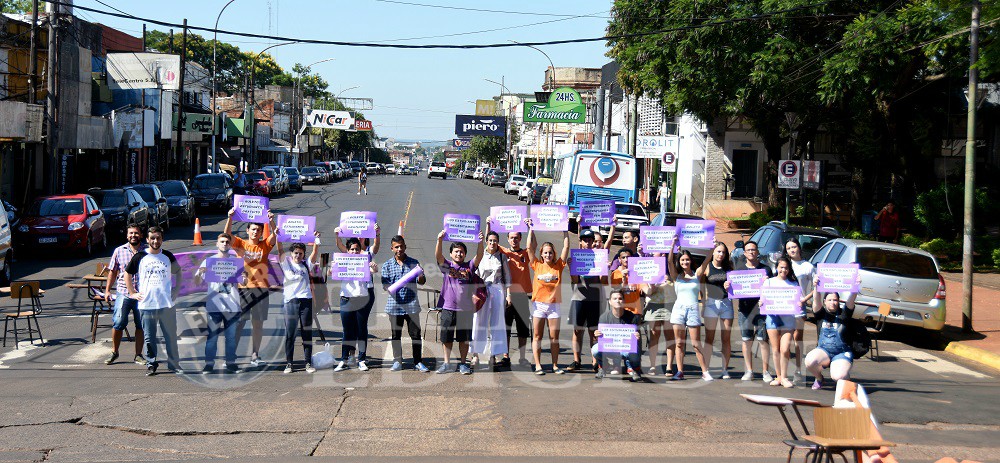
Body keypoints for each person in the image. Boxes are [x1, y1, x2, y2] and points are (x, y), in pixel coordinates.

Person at [223, 208, 277, 368]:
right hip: (243, 289)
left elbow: (275, 237)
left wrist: (271, 220)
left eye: (258, 230)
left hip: (261, 289)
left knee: (257, 323)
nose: (255, 232)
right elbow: (226, 237)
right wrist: (230, 217)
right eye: (253, 229)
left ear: (261, 232)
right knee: (239, 322)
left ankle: (255, 355)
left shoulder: (264, 245)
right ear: (247, 230)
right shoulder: (240, 244)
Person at [124, 227, 180, 376]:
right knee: (149, 337)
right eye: (152, 238)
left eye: (158, 238)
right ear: (147, 240)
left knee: (170, 335)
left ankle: (174, 363)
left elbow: (178, 272)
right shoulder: (140, 256)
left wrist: (176, 289)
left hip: (166, 304)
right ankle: (151, 363)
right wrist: (132, 293)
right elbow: (127, 274)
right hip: (147, 305)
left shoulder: (168, 256)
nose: (155, 241)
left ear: (162, 239)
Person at [434, 229, 485, 374]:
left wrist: (480, 242)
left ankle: (463, 363)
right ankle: (446, 363)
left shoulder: (469, 267)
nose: (459, 253)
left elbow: (480, 256)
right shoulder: (447, 266)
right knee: (447, 337)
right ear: (451, 254)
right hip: (448, 308)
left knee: (464, 339)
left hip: (465, 310)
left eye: (462, 251)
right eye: (456, 251)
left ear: (465, 254)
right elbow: (438, 256)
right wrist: (439, 240)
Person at [193, 233, 243, 374]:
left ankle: (231, 363)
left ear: (230, 245)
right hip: (214, 306)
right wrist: (199, 273)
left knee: (231, 338)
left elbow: (243, 282)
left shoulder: (235, 261)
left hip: (232, 305)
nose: (225, 244)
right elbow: (197, 282)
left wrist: (243, 277)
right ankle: (209, 364)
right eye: (222, 241)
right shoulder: (209, 262)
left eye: (227, 242)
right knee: (212, 337)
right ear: (217, 244)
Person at [333, 225, 381, 371]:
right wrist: (331, 268)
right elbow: (330, 272)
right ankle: (344, 359)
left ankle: (362, 359)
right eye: (351, 249)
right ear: (347, 251)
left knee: (361, 329)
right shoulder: (342, 260)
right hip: (346, 299)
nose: (354, 251)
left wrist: (374, 268)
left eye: (356, 249)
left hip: (362, 298)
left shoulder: (365, 258)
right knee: (347, 330)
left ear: (360, 249)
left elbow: (373, 270)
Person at [526, 219, 570, 375]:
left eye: (550, 252)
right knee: (537, 336)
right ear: (542, 254)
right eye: (545, 252)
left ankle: (555, 365)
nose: (548, 255)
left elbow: (566, 246)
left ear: (554, 254)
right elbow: (529, 247)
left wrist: (565, 230)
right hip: (539, 305)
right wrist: (531, 229)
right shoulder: (536, 264)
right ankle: (538, 365)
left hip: (554, 306)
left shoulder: (558, 265)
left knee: (554, 338)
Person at [725, 240, 773, 382]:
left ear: (757, 252)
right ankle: (749, 371)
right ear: (745, 253)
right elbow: (733, 291)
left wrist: (768, 282)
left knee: (763, 340)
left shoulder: (766, 270)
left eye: (754, 249)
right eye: (748, 250)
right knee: (746, 340)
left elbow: (772, 289)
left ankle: (765, 371)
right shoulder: (738, 270)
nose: (751, 252)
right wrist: (728, 287)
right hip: (745, 310)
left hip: (762, 310)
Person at [380, 234, 429, 372]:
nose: (399, 249)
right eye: (396, 247)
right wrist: (392, 287)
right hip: (394, 307)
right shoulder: (387, 265)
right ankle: (397, 361)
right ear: (392, 248)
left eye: (401, 246)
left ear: (405, 247)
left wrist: (420, 275)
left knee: (416, 335)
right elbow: (385, 285)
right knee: (396, 335)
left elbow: (422, 281)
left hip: (412, 306)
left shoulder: (414, 263)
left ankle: (418, 362)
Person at [666, 237, 711, 381]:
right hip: (678, 310)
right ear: (679, 262)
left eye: (687, 259)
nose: (685, 262)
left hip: (692, 310)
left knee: (696, 343)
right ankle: (679, 371)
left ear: (690, 260)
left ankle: (705, 372)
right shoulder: (676, 276)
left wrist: (712, 246)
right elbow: (669, 261)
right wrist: (672, 244)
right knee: (679, 343)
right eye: (682, 260)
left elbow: (707, 260)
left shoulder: (697, 274)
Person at [805, 274, 859, 389]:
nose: (832, 302)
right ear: (825, 301)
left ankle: (846, 379)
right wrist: (816, 286)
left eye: (835, 300)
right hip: (824, 351)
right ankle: (819, 378)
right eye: (829, 300)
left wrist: (856, 285)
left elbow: (851, 300)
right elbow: (816, 300)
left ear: (839, 301)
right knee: (809, 361)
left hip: (842, 353)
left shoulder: (844, 314)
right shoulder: (820, 314)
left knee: (838, 376)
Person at [277, 235, 321, 374]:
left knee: (306, 333)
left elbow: (314, 254)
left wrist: (316, 241)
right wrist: (277, 236)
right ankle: (289, 363)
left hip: (305, 301)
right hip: (290, 301)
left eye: (300, 253)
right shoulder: (286, 263)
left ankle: (308, 362)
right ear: (291, 253)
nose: (298, 255)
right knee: (290, 334)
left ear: (303, 254)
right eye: (295, 252)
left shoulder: (306, 264)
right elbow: (279, 249)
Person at [568, 228, 609, 373]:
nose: (587, 242)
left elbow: (604, 281)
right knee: (577, 331)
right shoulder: (577, 257)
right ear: (580, 242)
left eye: (589, 240)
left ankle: (595, 361)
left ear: (593, 242)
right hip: (579, 297)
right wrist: (570, 266)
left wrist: (605, 269)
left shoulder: (599, 257)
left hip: (594, 299)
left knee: (594, 331)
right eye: (584, 240)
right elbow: (574, 281)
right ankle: (576, 360)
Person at [104, 224, 146, 366]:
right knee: (118, 322)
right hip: (123, 292)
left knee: (141, 325)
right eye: (131, 233)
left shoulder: (147, 251)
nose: (133, 236)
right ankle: (114, 352)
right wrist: (108, 290)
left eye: (136, 233)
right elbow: (112, 272)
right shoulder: (119, 251)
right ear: (127, 235)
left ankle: (138, 355)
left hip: (142, 295)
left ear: (140, 235)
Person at [471, 226, 510, 370]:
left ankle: (493, 355)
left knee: (497, 323)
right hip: (482, 290)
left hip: (498, 289)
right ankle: (475, 354)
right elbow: (473, 272)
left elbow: (508, 278)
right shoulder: (481, 256)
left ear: (498, 243)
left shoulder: (502, 256)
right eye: (490, 240)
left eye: (495, 241)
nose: (492, 243)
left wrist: (508, 295)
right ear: (487, 242)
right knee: (479, 321)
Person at [699, 242, 735, 379]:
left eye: (723, 252)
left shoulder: (729, 267)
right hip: (711, 304)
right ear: (713, 252)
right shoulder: (707, 267)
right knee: (709, 338)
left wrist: (730, 287)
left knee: (726, 338)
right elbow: (701, 286)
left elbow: (736, 286)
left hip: (727, 303)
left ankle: (724, 369)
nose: (721, 254)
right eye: (718, 251)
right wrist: (703, 303)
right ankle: (706, 369)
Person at [593, 289, 643, 381]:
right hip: (611, 348)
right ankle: (603, 367)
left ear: (624, 301)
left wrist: (636, 337)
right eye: (614, 298)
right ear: (610, 302)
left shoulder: (632, 317)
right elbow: (601, 339)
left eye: (620, 298)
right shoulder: (604, 317)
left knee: (635, 348)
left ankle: (635, 369)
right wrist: (597, 334)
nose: (617, 301)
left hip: (625, 348)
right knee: (595, 349)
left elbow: (635, 339)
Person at [764, 256, 799, 388]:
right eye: (781, 267)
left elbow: (798, 300)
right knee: (776, 349)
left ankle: (784, 377)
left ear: (789, 269)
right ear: (777, 268)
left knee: (785, 349)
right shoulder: (769, 282)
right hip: (772, 318)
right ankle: (778, 376)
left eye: (786, 268)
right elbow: (763, 299)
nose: (783, 270)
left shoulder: (793, 284)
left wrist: (799, 304)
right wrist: (762, 302)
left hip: (788, 319)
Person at [499, 230, 532, 368]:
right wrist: (488, 224)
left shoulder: (525, 253)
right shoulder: (504, 252)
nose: (514, 240)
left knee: (522, 329)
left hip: (522, 296)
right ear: (507, 239)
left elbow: (532, 245)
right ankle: (505, 356)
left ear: (520, 239)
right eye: (512, 238)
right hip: (507, 296)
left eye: (517, 238)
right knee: (506, 327)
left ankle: (522, 357)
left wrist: (531, 228)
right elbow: (488, 242)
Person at [784, 238, 814, 385]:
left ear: (799, 248)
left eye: (794, 247)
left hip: (798, 307)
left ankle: (798, 370)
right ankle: (783, 372)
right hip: (783, 306)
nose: (792, 250)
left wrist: (804, 299)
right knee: (784, 340)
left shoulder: (807, 266)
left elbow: (816, 287)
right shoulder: (785, 265)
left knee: (797, 339)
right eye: (789, 248)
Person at [641, 252, 676, 376]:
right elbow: (648, 291)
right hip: (653, 307)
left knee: (670, 336)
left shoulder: (672, 268)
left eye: (664, 253)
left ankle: (669, 367)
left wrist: (670, 280)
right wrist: (654, 284)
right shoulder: (646, 269)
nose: (662, 255)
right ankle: (652, 366)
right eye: (659, 252)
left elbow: (679, 288)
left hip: (669, 306)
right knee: (654, 336)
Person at [609, 248, 642, 315]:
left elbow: (642, 291)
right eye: (623, 257)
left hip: (636, 311)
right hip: (621, 311)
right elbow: (617, 292)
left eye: (628, 257)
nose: (626, 260)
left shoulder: (637, 272)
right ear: (619, 259)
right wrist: (623, 277)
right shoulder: (615, 274)